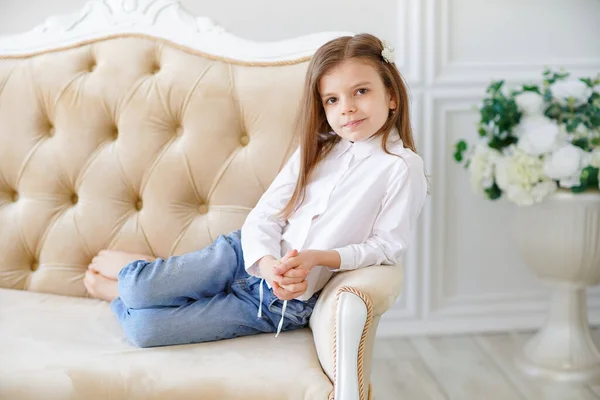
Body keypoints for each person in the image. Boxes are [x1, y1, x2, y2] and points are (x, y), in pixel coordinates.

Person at [84, 33, 428, 348]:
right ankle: (139, 277)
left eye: (361, 92)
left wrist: (319, 259)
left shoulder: (400, 167)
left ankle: (121, 292)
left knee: (145, 331)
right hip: (244, 254)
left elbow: (385, 247)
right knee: (139, 288)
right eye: (332, 100)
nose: (347, 108)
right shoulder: (320, 148)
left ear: (392, 97)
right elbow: (266, 213)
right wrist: (265, 264)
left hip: (281, 303)